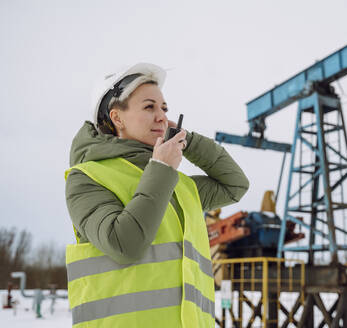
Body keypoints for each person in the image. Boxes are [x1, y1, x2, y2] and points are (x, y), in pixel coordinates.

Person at [64, 63, 249, 328]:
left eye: (164, 109)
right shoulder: (86, 177)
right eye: (149, 107)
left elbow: (235, 185)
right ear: (117, 118)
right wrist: (161, 169)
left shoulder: (177, 185)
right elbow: (124, 245)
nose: (161, 116)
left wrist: (188, 141)